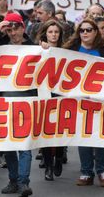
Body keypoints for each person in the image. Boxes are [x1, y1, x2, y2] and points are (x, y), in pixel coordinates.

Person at [0, 12, 35, 197]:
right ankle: (13, 181)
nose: (13, 32)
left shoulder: (33, 47)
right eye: (9, 28)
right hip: (4, 102)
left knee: (24, 146)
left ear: (23, 27)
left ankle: (23, 182)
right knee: (9, 145)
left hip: (27, 103)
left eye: (16, 27)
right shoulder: (0, 45)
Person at [61, 19, 104, 188]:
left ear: (95, 32)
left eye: (89, 30)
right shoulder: (71, 50)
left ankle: (101, 170)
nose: (85, 33)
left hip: (101, 100)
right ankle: (86, 172)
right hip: (79, 100)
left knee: (100, 136)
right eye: (82, 30)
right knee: (83, 136)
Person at [36, 19, 65, 181]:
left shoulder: (67, 50)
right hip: (44, 93)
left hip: (62, 93)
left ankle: (59, 158)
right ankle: (48, 165)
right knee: (46, 130)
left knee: (60, 130)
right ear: (45, 34)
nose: (53, 35)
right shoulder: (38, 50)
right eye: (50, 32)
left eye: (56, 32)